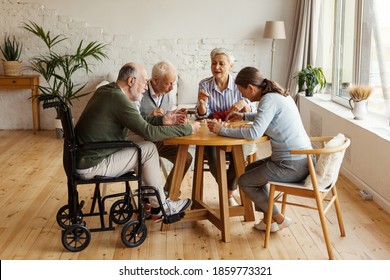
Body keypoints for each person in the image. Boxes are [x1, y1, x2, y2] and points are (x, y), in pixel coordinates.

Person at [74, 62, 201, 222]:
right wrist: (188, 129)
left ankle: (150, 200)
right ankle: (161, 207)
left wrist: (162, 119)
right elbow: (149, 132)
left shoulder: (108, 91)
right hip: (93, 164)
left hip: (89, 155)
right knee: (148, 148)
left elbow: (138, 123)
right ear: (131, 81)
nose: (146, 87)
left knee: (144, 143)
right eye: (144, 82)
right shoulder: (118, 99)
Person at [207, 66, 313, 232]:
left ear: (251, 87)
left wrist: (222, 130)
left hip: (292, 164)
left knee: (245, 181)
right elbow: (266, 116)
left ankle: (278, 217)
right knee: (249, 170)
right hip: (302, 159)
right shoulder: (277, 95)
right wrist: (244, 116)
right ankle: (269, 219)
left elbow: (254, 133)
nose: (242, 96)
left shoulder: (268, 100)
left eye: (242, 92)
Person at [195, 47, 256, 206]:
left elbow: (253, 112)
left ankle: (227, 192)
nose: (217, 67)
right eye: (214, 63)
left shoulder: (240, 84)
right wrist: (202, 105)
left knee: (240, 154)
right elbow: (202, 115)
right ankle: (228, 192)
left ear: (231, 66)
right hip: (213, 131)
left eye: (221, 63)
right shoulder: (204, 84)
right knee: (213, 157)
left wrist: (244, 103)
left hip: (236, 132)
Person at [136, 61, 192, 193]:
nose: (172, 88)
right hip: (142, 142)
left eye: (174, 83)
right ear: (155, 80)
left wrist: (177, 118)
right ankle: (149, 197)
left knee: (185, 158)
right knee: (152, 162)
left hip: (161, 140)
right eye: (169, 83)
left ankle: (167, 193)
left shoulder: (169, 94)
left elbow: (168, 117)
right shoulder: (139, 93)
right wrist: (151, 116)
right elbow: (131, 121)